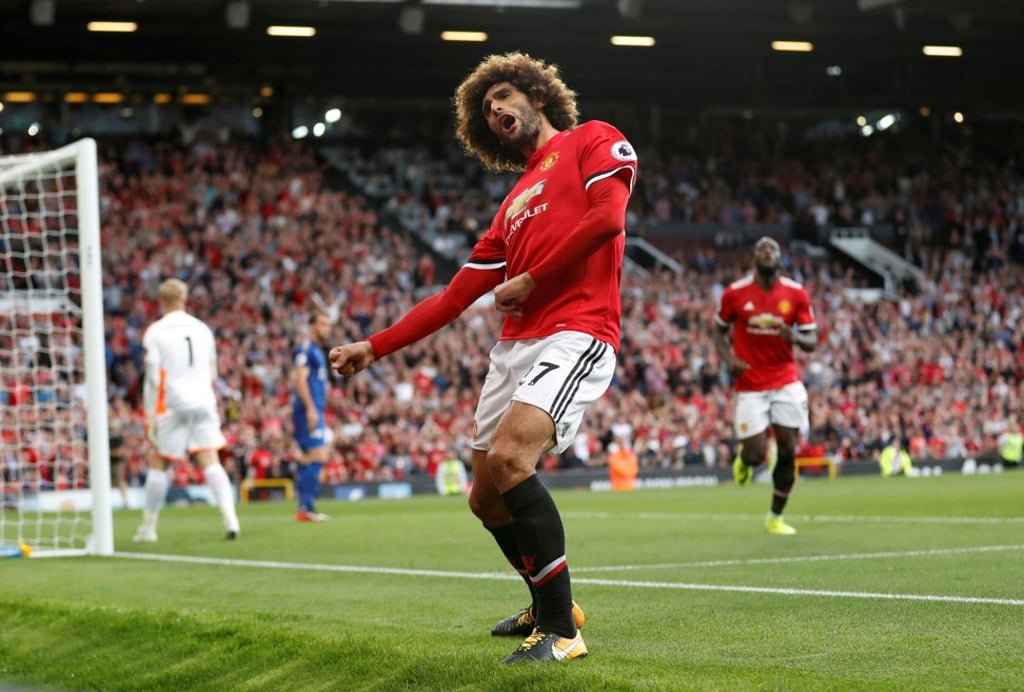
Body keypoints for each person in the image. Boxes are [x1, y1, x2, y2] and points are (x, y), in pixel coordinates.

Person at [329, 51, 637, 664]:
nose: (495, 107)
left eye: (502, 94)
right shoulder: (514, 202)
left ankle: (562, 632)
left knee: (510, 457)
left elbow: (608, 220)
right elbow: (451, 297)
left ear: (536, 95)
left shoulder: (593, 141)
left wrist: (533, 279)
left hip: (575, 330)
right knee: (484, 497)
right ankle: (548, 602)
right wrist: (374, 345)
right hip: (514, 346)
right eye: (485, 106)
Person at [713, 236, 817, 536]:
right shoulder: (735, 293)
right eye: (762, 249)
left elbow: (812, 340)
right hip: (750, 383)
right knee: (757, 453)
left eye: (773, 248)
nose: (768, 252)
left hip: (785, 380)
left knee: (787, 449)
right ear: (754, 258)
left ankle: (775, 517)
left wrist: (795, 337)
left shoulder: (796, 294)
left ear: (780, 258)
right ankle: (744, 461)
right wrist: (727, 359)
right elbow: (718, 332)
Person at [134, 278, 241, 542]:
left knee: (159, 460)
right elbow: (213, 373)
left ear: (161, 301)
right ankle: (230, 519)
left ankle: (148, 528)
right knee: (209, 459)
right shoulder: (202, 329)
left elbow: (153, 379)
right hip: (203, 399)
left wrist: (150, 416)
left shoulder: (156, 332)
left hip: (172, 402)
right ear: (184, 300)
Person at [291, 311, 333, 522]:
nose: (327, 329)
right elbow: (300, 379)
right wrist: (310, 409)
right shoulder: (306, 349)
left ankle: (306, 507)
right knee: (318, 456)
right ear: (312, 326)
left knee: (318, 457)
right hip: (308, 411)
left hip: (316, 409)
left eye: (328, 325)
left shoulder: (317, 351)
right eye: (323, 324)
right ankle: (305, 508)